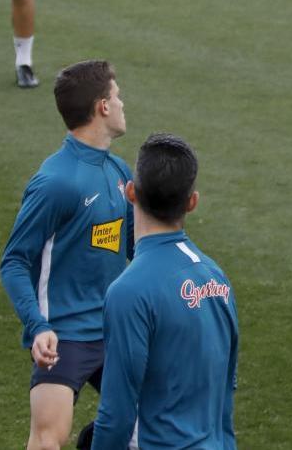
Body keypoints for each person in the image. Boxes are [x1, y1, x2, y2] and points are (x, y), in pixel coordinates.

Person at [0, 60, 134, 449]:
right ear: (102, 107)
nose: (123, 103)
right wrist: (38, 326)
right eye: (117, 95)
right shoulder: (56, 182)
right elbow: (14, 261)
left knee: (155, 430)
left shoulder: (120, 172)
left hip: (113, 331)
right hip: (64, 336)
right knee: (46, 440)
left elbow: (137, 251)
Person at [89, 133, 239, 449]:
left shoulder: (128, 291)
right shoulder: (217, 279)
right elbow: (225, 392)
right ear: (192, 202)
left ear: (130, 191)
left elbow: (116, 414)